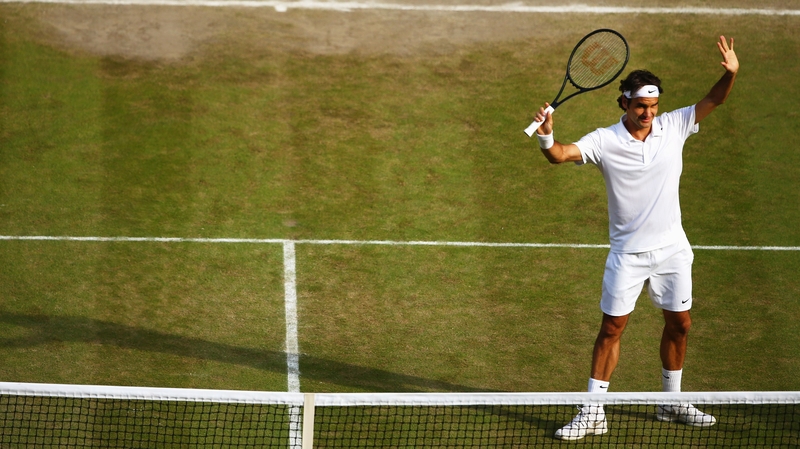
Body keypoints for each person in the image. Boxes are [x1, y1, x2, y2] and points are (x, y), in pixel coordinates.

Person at [531, 36, 739, 441]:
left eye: (654, 106)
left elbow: (714, 100)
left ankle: (671, 401)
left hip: (673, 250)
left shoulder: (674, 125)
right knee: (612, 329)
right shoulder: (604, 140)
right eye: (641, 106)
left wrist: (729, 74)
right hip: (627, 255)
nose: (649, 113)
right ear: (624, 103)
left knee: (680, 325)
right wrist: (545, 135)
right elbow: (559, 155)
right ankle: (593, 413)